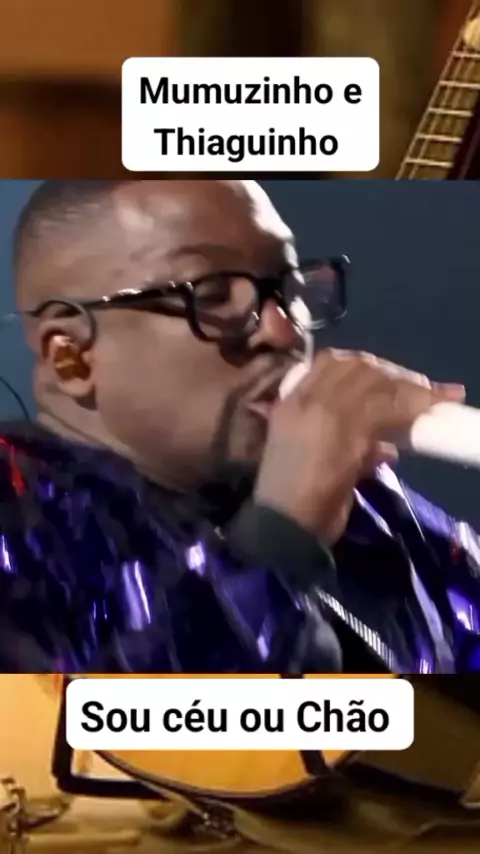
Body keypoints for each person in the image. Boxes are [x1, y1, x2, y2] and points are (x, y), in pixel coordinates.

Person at [0, 178, 479, 674]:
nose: (284, 330)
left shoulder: (358, 496)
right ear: (72, 355)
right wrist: (284, 533)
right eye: (212, 294)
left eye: (288, 288)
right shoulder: (20, 521)